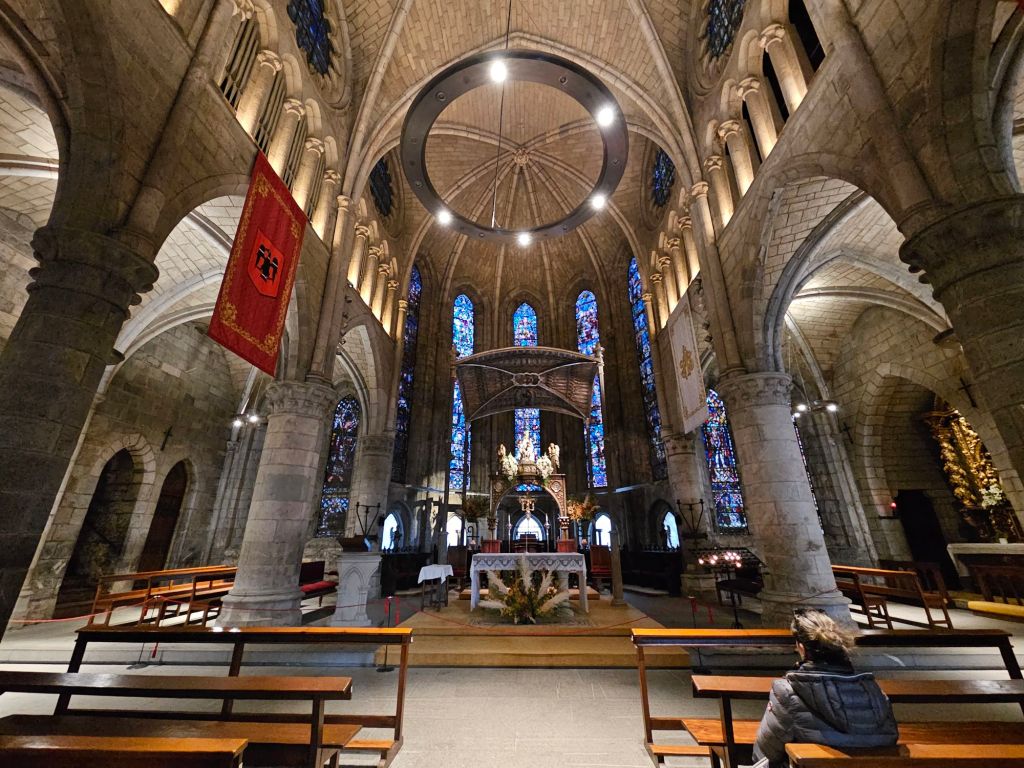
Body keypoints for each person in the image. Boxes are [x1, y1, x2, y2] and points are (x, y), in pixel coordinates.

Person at [752, 609, 898, 767]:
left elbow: (766, 750)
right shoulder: (872, 690)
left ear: (801, 648)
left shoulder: (788, 692)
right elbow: (890, 737)